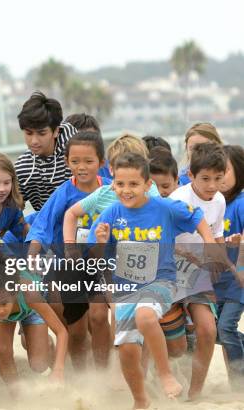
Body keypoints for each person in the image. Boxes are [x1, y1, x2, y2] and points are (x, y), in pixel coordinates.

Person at [88, 152, 220, 409]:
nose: (126, 190)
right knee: (127, 350)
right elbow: (95, 254)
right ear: (113, 184)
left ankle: (165, 374)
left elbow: (197, 218)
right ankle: (140, 401)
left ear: (148, 185)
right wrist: (101, 242)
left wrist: (210, 242)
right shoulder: (111, 214)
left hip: (160, 281)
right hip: (126, 286)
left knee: (146, 316)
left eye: (134, 184)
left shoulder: (165, 208)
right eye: (120, 184)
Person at [28, 131, 112, 369]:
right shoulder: (64, 193)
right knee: (75, 329)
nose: (82, 167)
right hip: (70, 268)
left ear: (101, 163)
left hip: (100, 264)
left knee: (98, 317)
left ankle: (103, 372)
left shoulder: (110, 190)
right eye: (75, 162)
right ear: (67, 163)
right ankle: (81, 375)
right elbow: (41, 225)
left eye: (89, 161)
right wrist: (33, 254)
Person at [170, 142, 227, 399]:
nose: (212, 186)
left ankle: (194, 394)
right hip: (167, 272)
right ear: (190, 175)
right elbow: (161, 240)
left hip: (197, 275)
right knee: (175, 346)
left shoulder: (220, 201)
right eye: (205, 179)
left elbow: (216, 236)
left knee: (208, 329)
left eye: (218, 178)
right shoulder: (178, 200)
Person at [0, 252, 68, 405]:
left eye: (3, 303)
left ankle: (43, 343)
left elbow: (62, 332)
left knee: (39, 364)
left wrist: (58, 370)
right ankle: (17, 399)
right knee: (3, 352)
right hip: (9, 317)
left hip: (32, 309)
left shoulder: (29, 293)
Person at [14, 91, 77, 211]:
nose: (34, 141)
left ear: (56, 131)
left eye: (41, 133)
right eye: (28, 133)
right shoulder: (22, 167)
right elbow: (13, 210)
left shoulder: (78, 156)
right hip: (44, 227)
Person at [215, 145, 244, 389]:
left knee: (226, 329)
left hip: (238, 282)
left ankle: (238, 383)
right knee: (214, 332)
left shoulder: (241, 203)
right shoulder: (213, 203)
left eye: (223, 171)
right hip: (214, 282)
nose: (219, 178)